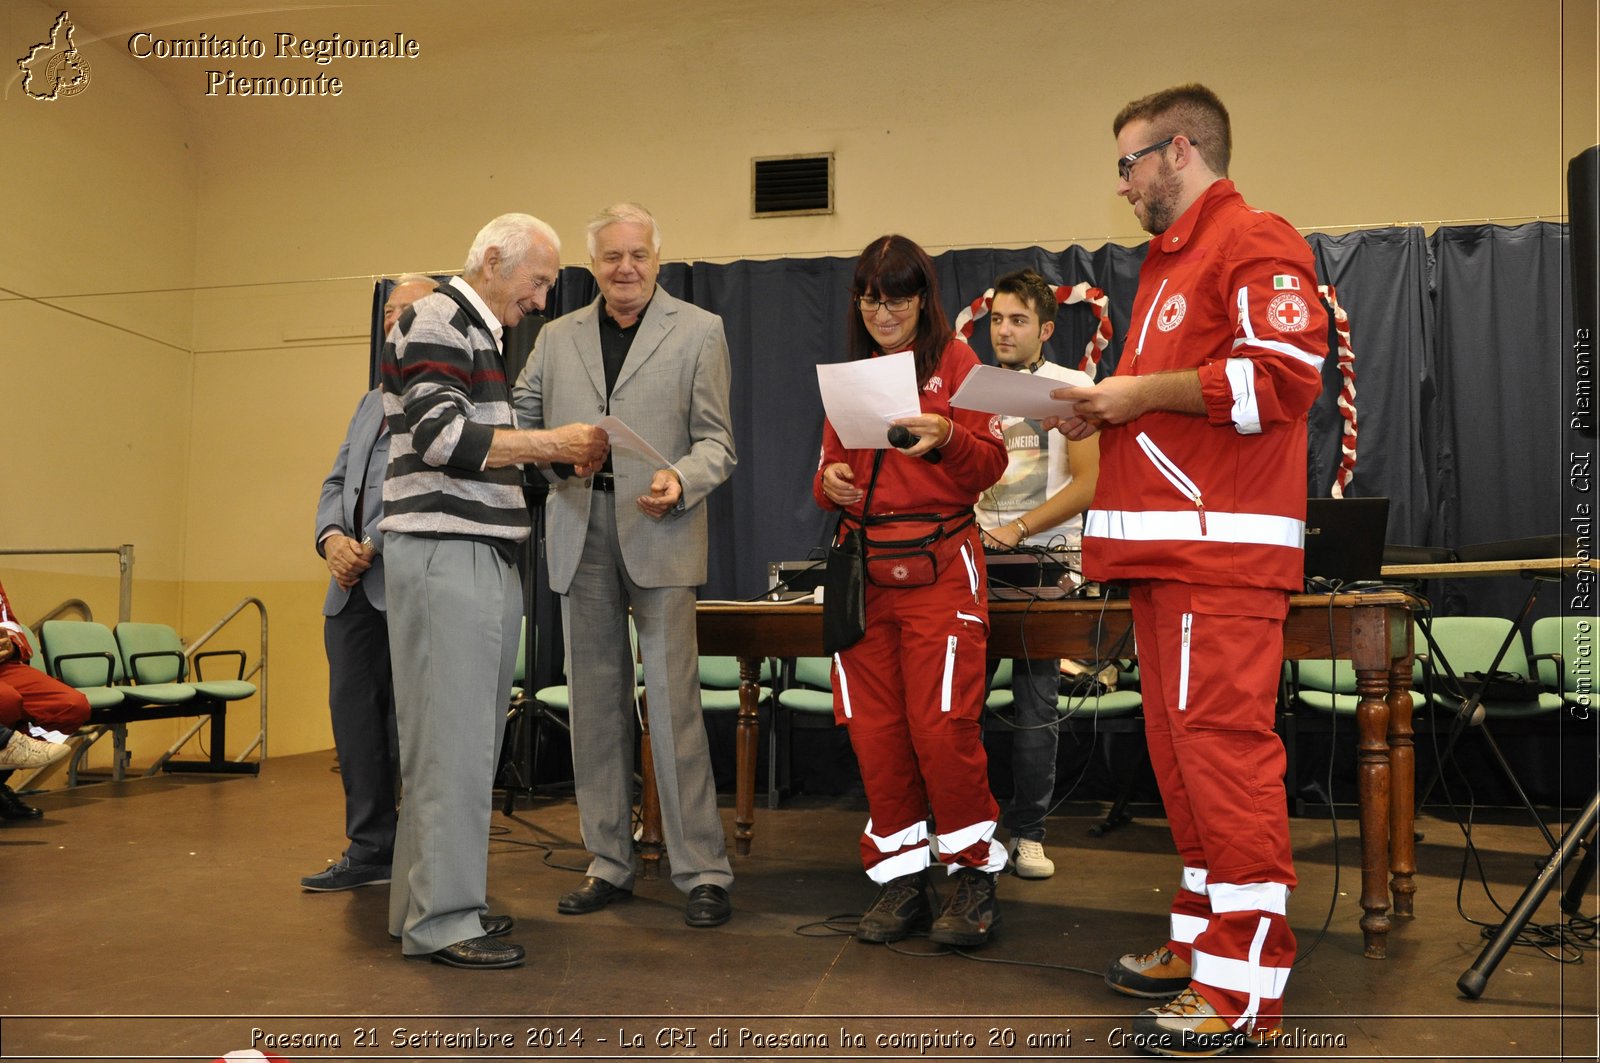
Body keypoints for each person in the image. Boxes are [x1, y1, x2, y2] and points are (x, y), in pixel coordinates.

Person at [1048, 84, 1326, 1055]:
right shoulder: (1170, 265)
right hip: (1167, 557)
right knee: (1182, 763)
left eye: (1126, 163)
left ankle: (1242, 993)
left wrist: (1131, 390)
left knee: (1223, 763)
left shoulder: (1252, 239)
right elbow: (1174, 404)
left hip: (1218, 557)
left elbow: (1280, 378)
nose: (1120, 185)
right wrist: (1101, 407)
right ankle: (1202, 947)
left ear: (1177, 150)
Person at [380, 215, 608, 969]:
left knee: (444, 747)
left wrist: (549, 464)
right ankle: (444, 919)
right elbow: (443, 439)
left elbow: (470, 446)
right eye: (537, 280)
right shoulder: (441, 318)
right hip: (452, 556)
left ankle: (426, 908)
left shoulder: (470, 331)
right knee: (457, 748)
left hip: (459, 553)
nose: (541, 299)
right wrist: (554, 443)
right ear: (490, 260)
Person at [512, 202, 737, 929]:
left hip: (661, 526)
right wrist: (552, 451)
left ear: (657, 258)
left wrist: (683, 478)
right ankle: (607, 860)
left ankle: (701, 868)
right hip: (579, 526)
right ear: (593, 265)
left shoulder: (700, 331)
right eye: (611, 257)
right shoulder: (554, 338)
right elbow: (519, 420)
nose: (625, 268)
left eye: (637, 254)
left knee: (674, 709)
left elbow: (718, 443)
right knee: (595, 710)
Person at [814, 234, 1009, 948]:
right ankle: (902, 878)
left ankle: (972, 875)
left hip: (940, 571)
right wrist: (827, 483)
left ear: (923, 299)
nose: (882, 309)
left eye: (896, 294)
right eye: (869, 295)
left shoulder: (958, 363)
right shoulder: (854, 374)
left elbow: (990, 461)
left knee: (942, 727)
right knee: (876, 732)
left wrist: (948, 435)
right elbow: (832, 465)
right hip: (863, 573)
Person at [301, 275, 437, 893]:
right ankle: (369, 849)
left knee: (408, 729)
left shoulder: (441, 396)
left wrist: (373, 545)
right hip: (349, 590)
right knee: (355, 721)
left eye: (407, 310)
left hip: (406, 581)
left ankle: (420, 853)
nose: (393, 319)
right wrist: (332, 540)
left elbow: (428, 485)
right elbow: (337, 482)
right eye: (388, 310)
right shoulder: (368, 400)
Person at [974, 268, 1101, 880]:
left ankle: (1027, 833)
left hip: (1045, 565)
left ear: (1046, 329)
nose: (1004, 330)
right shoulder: (970, 387)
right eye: (996, 319)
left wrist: (1017, 531)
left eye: (1018, 320)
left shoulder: (1073, 386)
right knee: (957, 710)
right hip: (970, 565)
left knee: (1034, 712)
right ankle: (967, 832)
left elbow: (1090, 482)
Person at [0, 578, 89, 819]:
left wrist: (11, 646)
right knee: (6, 700)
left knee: (72, 706)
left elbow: (8, 620)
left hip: (3, 666)